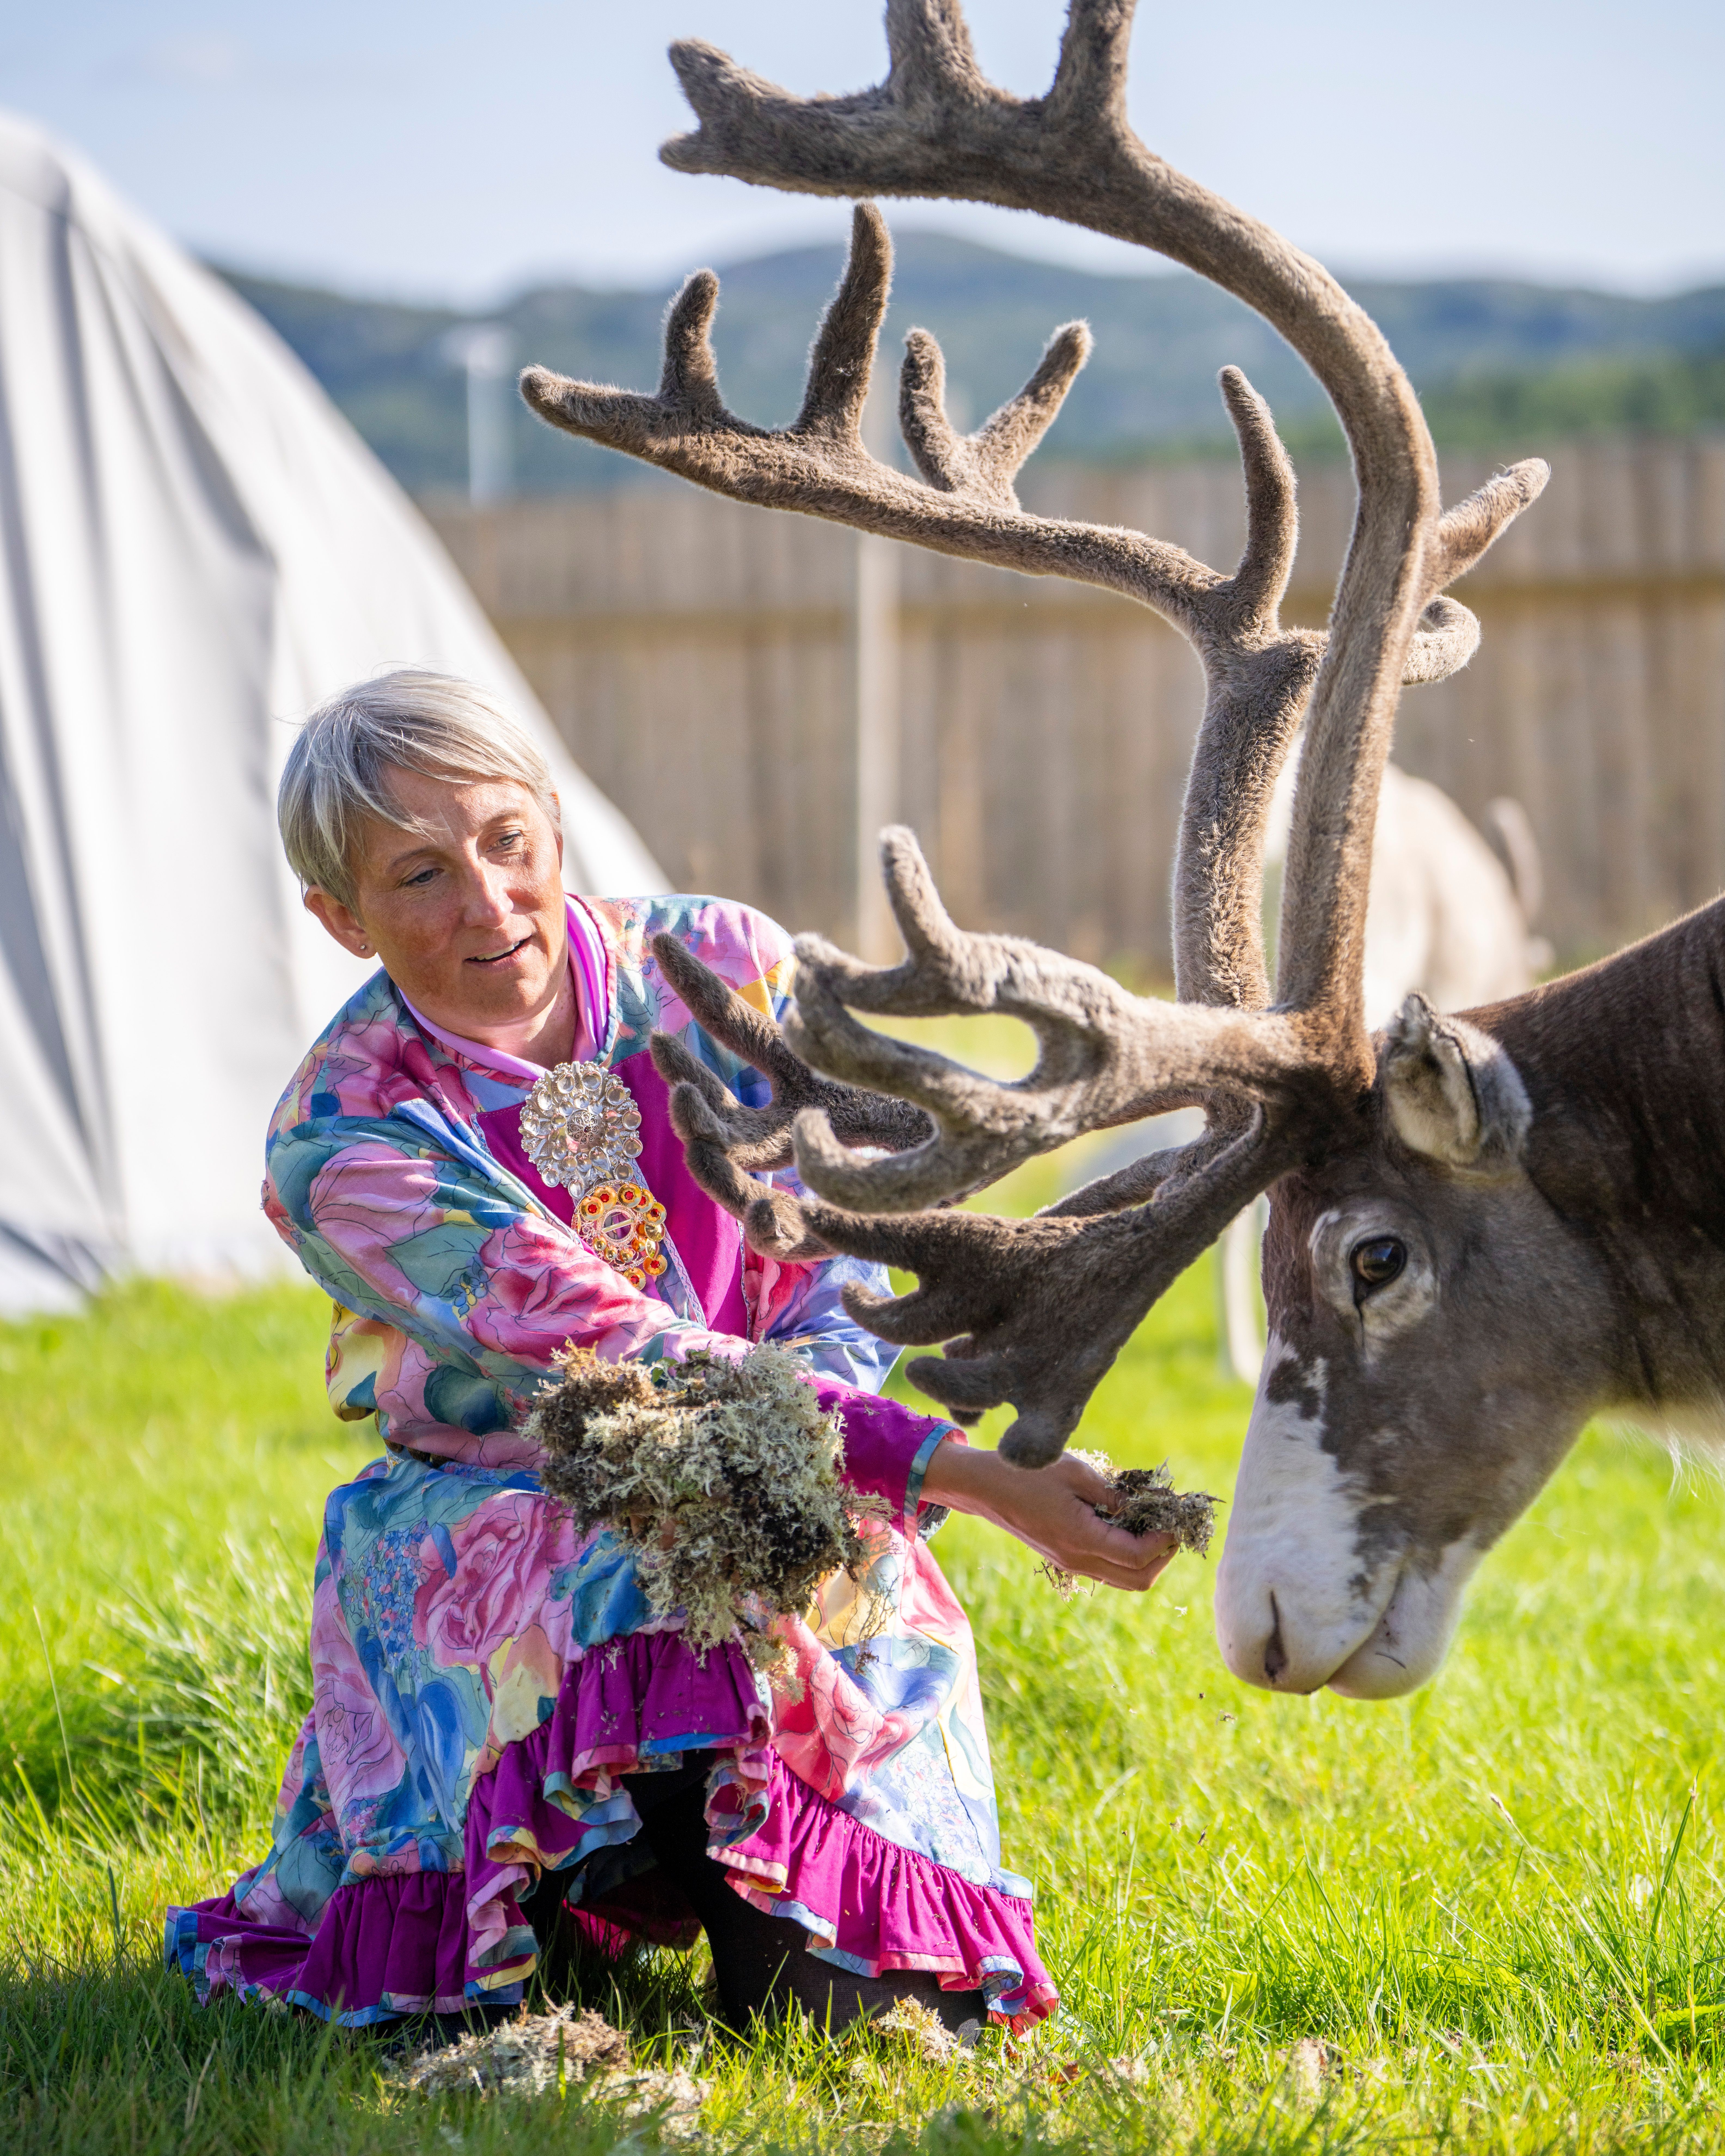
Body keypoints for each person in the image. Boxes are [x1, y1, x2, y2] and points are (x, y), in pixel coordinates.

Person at [164, 670, 1173, 2037]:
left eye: (508, 841)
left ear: (557, 826)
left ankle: (787, 1916)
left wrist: (864, 1454)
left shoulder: (726, 968)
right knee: (614, 1557)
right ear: (339, 918)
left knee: (854, 2002)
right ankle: (586, 1868)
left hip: (789, 1478)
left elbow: (851, 1240)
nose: (490, 902)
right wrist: (969, 1477)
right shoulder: (347, 1143)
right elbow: (619, 1356)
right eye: (419, 875)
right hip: (511, 1511)